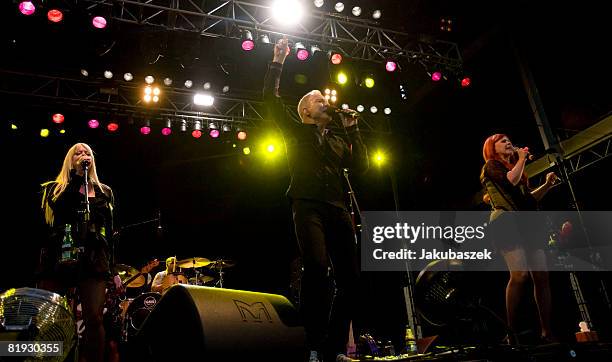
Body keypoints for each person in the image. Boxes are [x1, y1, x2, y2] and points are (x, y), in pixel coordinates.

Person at [263, 38, 369, 362]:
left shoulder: (337, 139)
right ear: (306, 110)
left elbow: (362, 167)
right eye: (319, 100)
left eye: (326, 99)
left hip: (338, 209)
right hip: (307, 205)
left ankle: (333, 349)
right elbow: (269, 99)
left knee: (351, 281)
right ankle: (312, 343)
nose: (326, 102)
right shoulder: (295, 131)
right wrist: (278, 60)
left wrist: (353, 131)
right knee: (317, 269)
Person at [39, 142, 117, 362]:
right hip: (61, 255)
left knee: (94, 317)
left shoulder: (104, 191)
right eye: (78, 153)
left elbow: (110, 233)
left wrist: (113, 269)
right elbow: (60, 212)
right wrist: (76, 178)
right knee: (56, 317)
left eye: (87, 153)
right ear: (69, 161)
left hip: (94, 258)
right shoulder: (55, 188)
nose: (84, 155)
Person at [480, 134, 558, 344]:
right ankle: (511, 332)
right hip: (505, 221)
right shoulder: (491, 166)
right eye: (503, 141)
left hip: (526, 224)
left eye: (509, 140)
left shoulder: (518, 170)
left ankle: (547, 331)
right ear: (492, 148)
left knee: (542, 276)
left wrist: (548, 184)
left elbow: (529, 199)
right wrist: (522, 157)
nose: (509, 143)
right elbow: (509, 181)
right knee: (520, 275)